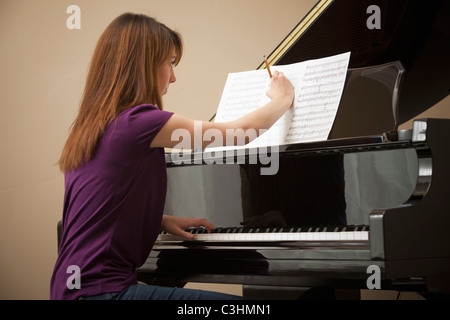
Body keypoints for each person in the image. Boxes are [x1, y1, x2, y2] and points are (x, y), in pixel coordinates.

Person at [50, 12, 294, 300]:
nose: (173, 76)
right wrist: (282, 98)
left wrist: (160, 220)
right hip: (103, 294)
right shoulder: (140, 121)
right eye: (170, 63)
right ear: (143, 66)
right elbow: (241, 133)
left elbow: (99, 205)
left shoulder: (91, 127)